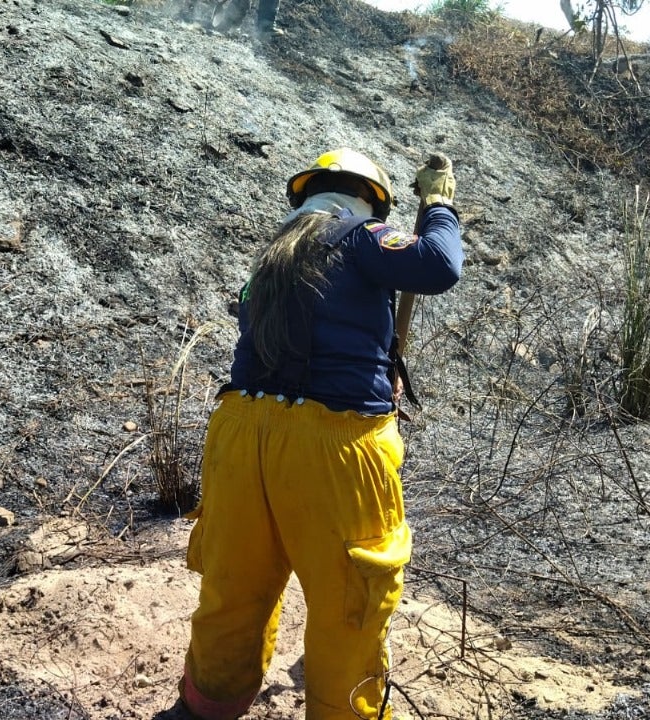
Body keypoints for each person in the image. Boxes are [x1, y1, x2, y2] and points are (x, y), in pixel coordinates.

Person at [167, 149, 464, 720]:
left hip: (239, 432)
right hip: (333, 444)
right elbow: (438, 266)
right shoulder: (359, 236)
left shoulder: (272, 256)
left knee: (234, 587)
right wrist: (439, 205)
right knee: (350, 608)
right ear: (369, 201)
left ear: (305, 196)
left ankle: (204, 707)